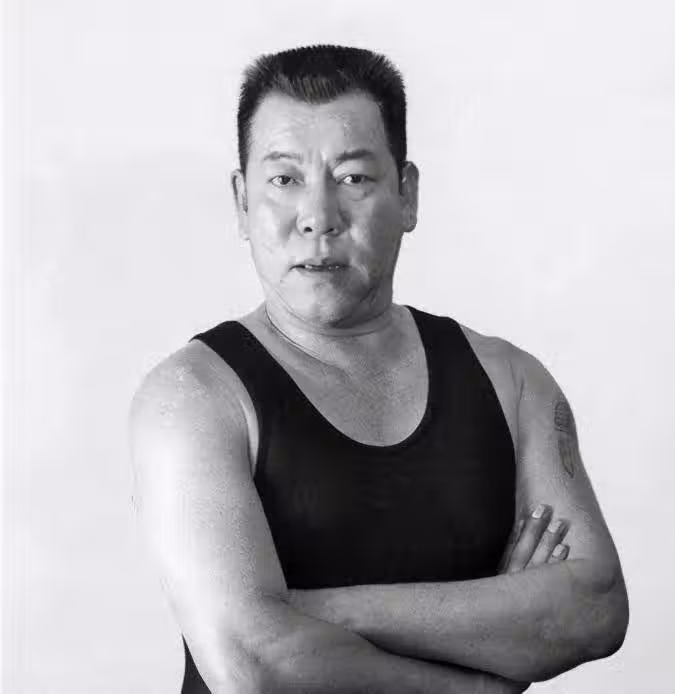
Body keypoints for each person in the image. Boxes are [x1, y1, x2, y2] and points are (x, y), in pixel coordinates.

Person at [129, 45, 629, 694]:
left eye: (354, 177)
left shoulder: (511, 382)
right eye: (284, 180)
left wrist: (309, 612)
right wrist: (479, 680)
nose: (318, 218)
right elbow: (251, 664)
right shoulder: (194, 397)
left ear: (407, 194)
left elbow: (594, 606)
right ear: (241, 202)